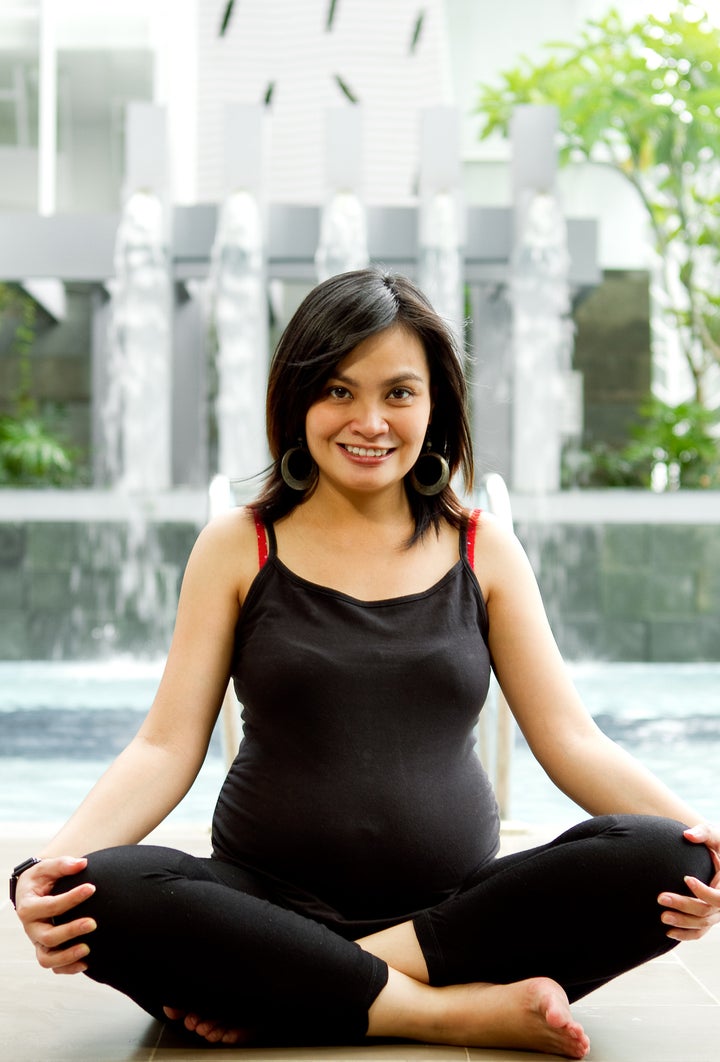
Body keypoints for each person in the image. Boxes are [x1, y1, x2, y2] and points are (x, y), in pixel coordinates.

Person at [11, 269, 720, 1059]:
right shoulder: (237, 545)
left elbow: (572, 741)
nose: (370, 421)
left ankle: (303, 988)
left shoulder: (484, 550)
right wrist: (47, 868)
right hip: (261, 902)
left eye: (400, 393)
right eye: (339, 391)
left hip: (454, 916)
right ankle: (446, 1013)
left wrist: (708, 843)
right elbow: (164, 747)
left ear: (436, 405)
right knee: (104, 896)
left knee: (669, 860)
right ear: (298, 399)